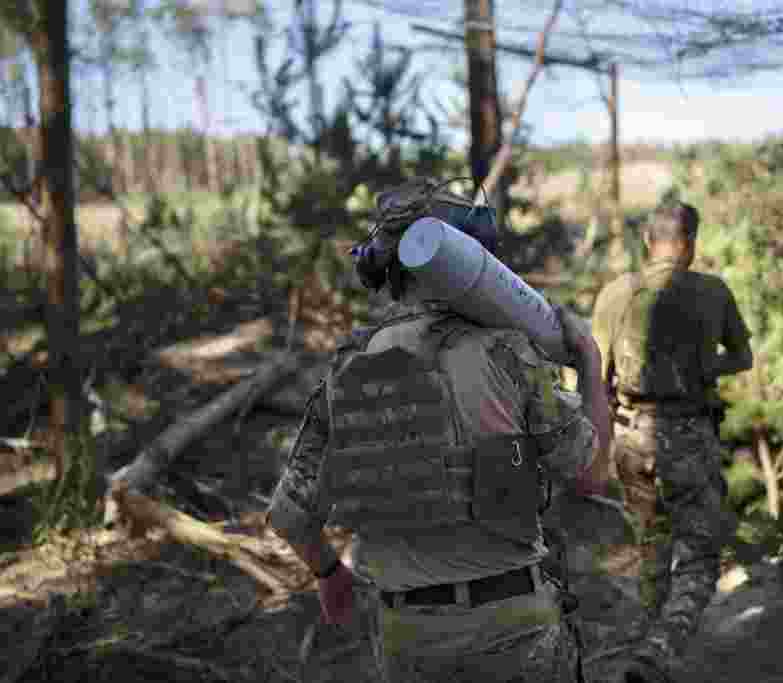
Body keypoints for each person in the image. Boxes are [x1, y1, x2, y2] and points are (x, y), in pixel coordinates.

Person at [264, 178, 614, 683]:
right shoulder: (508, 355)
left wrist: (328, 574)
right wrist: (591, 368)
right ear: (465, 261)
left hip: (410, 641)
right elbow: (592, 475)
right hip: (514, 628)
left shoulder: (346, 372)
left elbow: (291, 517)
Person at [587, 195, 753, 681]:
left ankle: (644, 646)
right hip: (689, 437)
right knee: (700, 559)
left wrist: (596, 450)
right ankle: (656, 654)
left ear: (647, 240)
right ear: (691, 243)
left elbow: (594, 379)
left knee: (653, 544)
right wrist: (708, 365)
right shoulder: (713, 292)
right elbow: (742, 357)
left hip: (630, 440)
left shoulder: (616, 293)